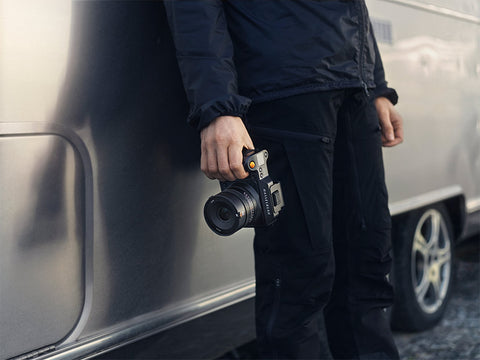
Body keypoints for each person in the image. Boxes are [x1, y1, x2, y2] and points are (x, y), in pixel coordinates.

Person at [164, 1, 404, 359]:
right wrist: (217, 105)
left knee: (368, 261)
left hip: (355, 92)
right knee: (300, 276)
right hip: (284, 91)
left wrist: (376, 83)